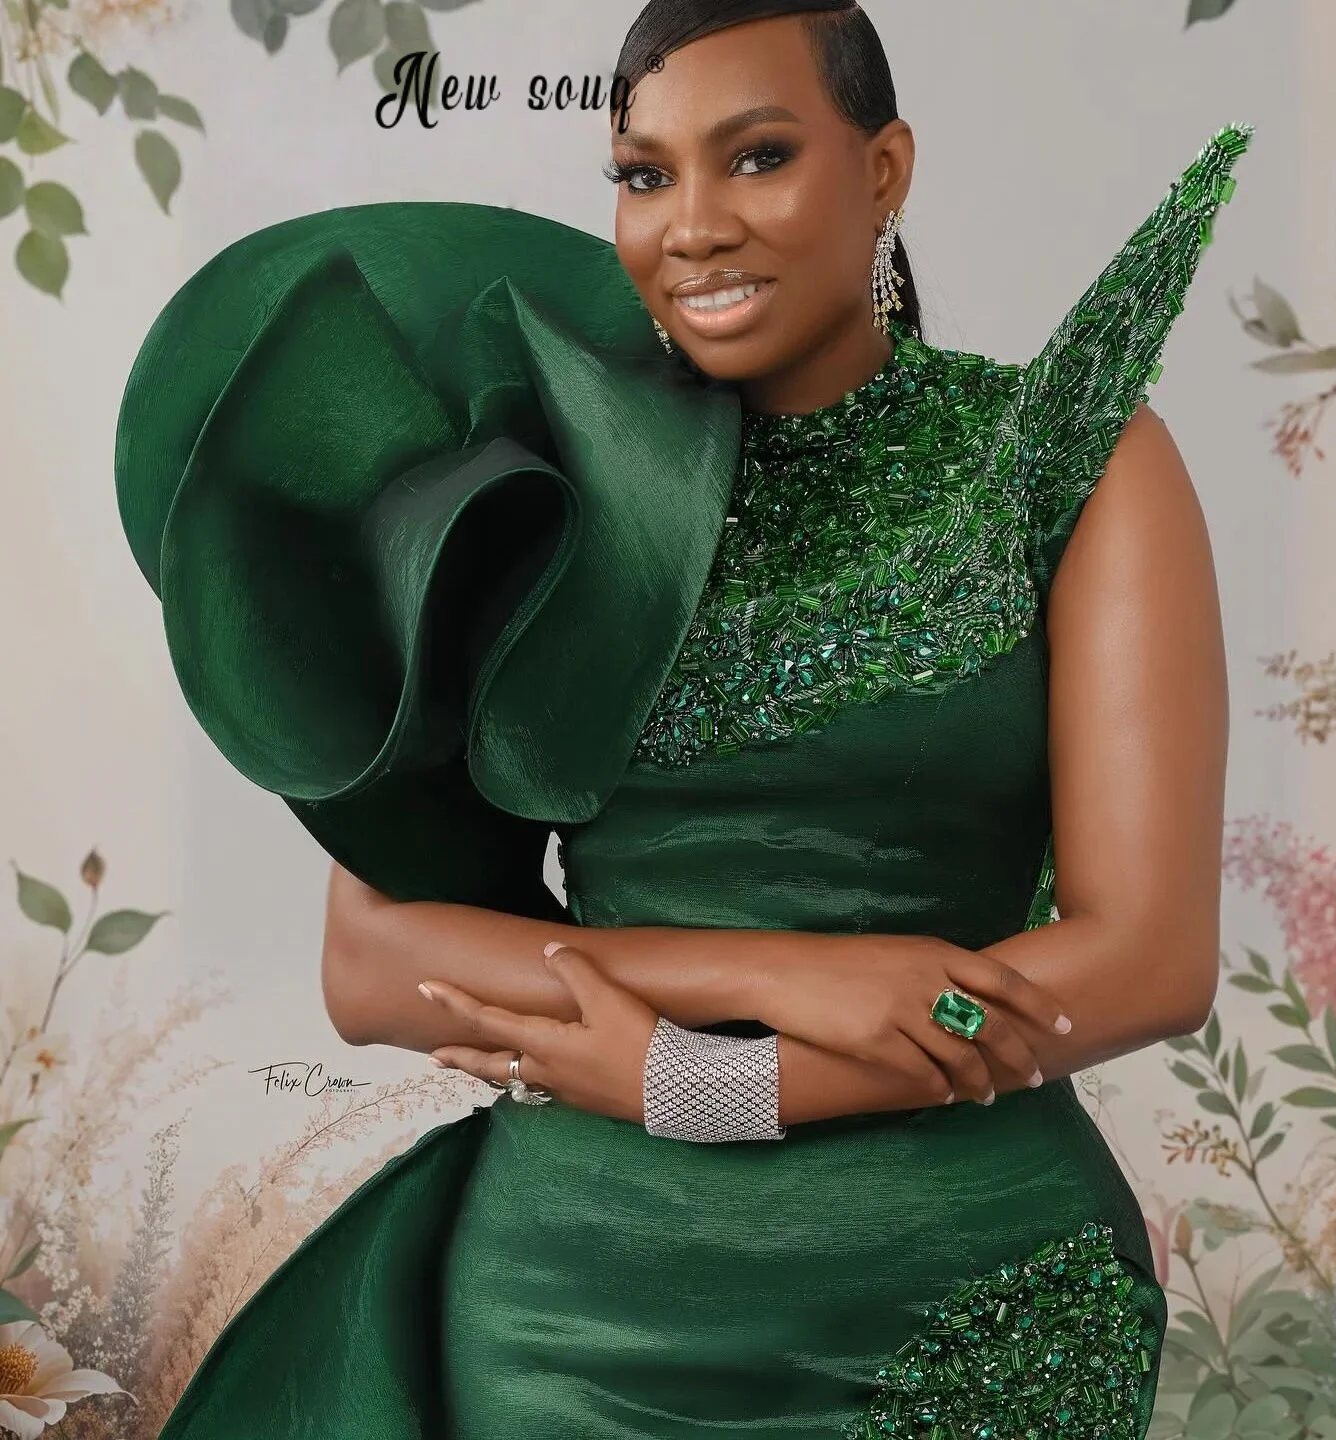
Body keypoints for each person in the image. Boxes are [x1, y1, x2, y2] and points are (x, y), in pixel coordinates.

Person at [114, 1, 1251, 1434]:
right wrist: (783, 978)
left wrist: (702, 1082)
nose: (693, 225)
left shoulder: (1073, 463)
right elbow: (379, 963)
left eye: (758, 156)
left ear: (885, 169)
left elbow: (1146, 963)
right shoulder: (533, 483)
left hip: (973, 1297)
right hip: (572, 1324)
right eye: (645, 175)